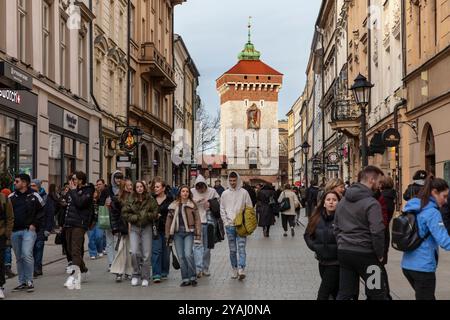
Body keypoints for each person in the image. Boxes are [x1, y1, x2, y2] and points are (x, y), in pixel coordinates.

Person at [334, 166, 387, 300]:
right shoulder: (372, 203)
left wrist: (341, 243)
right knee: (376, 293)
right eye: (379, 182)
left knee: (346, 293)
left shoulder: (342, 201)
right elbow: (377, 231)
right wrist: (380, 254)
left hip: (345, 253)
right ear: (371, 180)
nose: (380, 186)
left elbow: (336, 227)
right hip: (366, 254)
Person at [401, 176, 450, 300]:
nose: (446, 201)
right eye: (444, 196)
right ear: (434, 192)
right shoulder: (432, 212)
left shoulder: (413, 206)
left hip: (407, 265)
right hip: (423, 267)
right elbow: (445, 241)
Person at [9, 174, 44, 293]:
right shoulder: (11, 197)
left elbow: (42, 212)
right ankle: (22, 282)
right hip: (14, 232)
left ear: (24, 183)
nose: (14, 183)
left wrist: (34, 224)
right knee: (19, 258)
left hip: (28, 231)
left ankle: (29, 280)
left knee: (26, 254)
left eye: (17, 181)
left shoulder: (35, 196)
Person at [304, 191, 342, 300]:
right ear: (324, 203)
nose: (331, 202)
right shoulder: (317, 218)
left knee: (323, 294)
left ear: (339, 203)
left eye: (334, 200)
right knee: (334, 292)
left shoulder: (342, 219)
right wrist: (315, 246)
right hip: (322, 262)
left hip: (336, 263)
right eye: (328, 200)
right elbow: (307, 235)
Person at [122, 181, 159, 287]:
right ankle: (135, 274)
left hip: (146, 227)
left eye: (141, 186)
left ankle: (146, 276)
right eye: (137, 187)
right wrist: (135, 218)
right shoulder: (130, 199)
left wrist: (146, 216)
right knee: (134, 252)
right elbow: (125, 213)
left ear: (144, 188)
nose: (139, 188)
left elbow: (155, 212)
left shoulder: (150, 199)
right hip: (134, 227)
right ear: (135, 188)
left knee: (146, 254)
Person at [63, 171, 95, 290]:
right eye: (71, 179)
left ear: (81, 180)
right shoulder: (72, 190)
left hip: (79, 224)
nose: (72, 181)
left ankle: (74, 276)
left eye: (75, 179)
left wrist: (72, 191)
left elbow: (80, 203)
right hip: (68, 223)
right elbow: (66, 204)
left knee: (76, 250)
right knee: (70, 251)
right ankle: (84, 270)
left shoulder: (88, 190)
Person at [220, 172, 253, 280]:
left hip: (241, 226)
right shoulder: (225, 194)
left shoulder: (244, 193)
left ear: (238, 180)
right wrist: (225, 222)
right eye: (231, 180)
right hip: (229, 226)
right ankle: (234, 268)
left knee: (242, 248)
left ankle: (241, 269)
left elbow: (249, 208)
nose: (233, 182)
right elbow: (222, 209)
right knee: (233, 250)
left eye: (234, 180)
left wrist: (246, 220)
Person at [166, 185, 201, 287]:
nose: (185, 193)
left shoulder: (192, 205)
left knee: (188, 254)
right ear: (179, 193)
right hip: (177, 233)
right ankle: (185, 278)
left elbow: (197, 220)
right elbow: (168, 222)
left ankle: (193, 277)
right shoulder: (173, 205)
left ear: (189, 193)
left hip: (188, 232)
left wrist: (198, 234)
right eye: (183, 191)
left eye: (187, 191)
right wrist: (167, 235)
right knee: (181, 256)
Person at [190, 175, 220, 278]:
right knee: (197, 246)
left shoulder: (212, 191)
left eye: (202, 187)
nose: (201, 189)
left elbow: (218, 203)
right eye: (198, 187)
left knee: (207, 247)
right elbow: (187, 203)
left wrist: (210, 204)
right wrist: (195, 202)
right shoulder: (192, 192)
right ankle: (198, 268)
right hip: (196, 222)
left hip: (209, 222)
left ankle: (205, 268)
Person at [109, 179, 133, 282]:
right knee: (121, 249)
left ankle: (128, 271)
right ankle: (118, 271)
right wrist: (115, 228)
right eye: (128, 185)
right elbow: (114, 215)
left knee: (130, 250)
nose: (131, 187)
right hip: (123, 227)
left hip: (133, 227)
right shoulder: (117, 199)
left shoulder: (135, 197)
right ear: (124, 187)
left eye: (131, 185)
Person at [31, 182, 56, 278]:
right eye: (31, 185)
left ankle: (37, 268)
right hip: (32, 226)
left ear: (38, 186)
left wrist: (48, 228)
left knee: (38, 247)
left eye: (33, 185)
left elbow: (50, 213)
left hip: (42, 226)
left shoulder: (46, 198)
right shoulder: (29, 196)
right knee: (31, 248)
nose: (31, 187)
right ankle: (33, 267)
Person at [151, 177, 173, 283]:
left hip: (167, 228)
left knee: (166, 252)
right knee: (156, 251)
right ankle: (156, 273)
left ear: (163, 188)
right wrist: (154, 215)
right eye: (155, 186)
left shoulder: (170, 199)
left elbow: (173, 213)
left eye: (158, 187)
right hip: (155, 229)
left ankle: (164, 271)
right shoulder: (151, 199)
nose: (155, 188)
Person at [96, 178, 114, 269]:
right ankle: (112, 263)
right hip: (107, 218)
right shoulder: (102, 192)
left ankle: (114, 262)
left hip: (113, 219)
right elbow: (101, 205)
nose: (98, 186)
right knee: (110, 241)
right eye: (97, 184)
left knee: (113, 241)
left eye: (100, 184)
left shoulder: (106, 191)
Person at [0, 191, 14, 299]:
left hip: (1, 234)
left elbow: (10, 217)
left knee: (0, 261)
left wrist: (7, 233)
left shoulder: (4, 198)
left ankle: (0, 286)